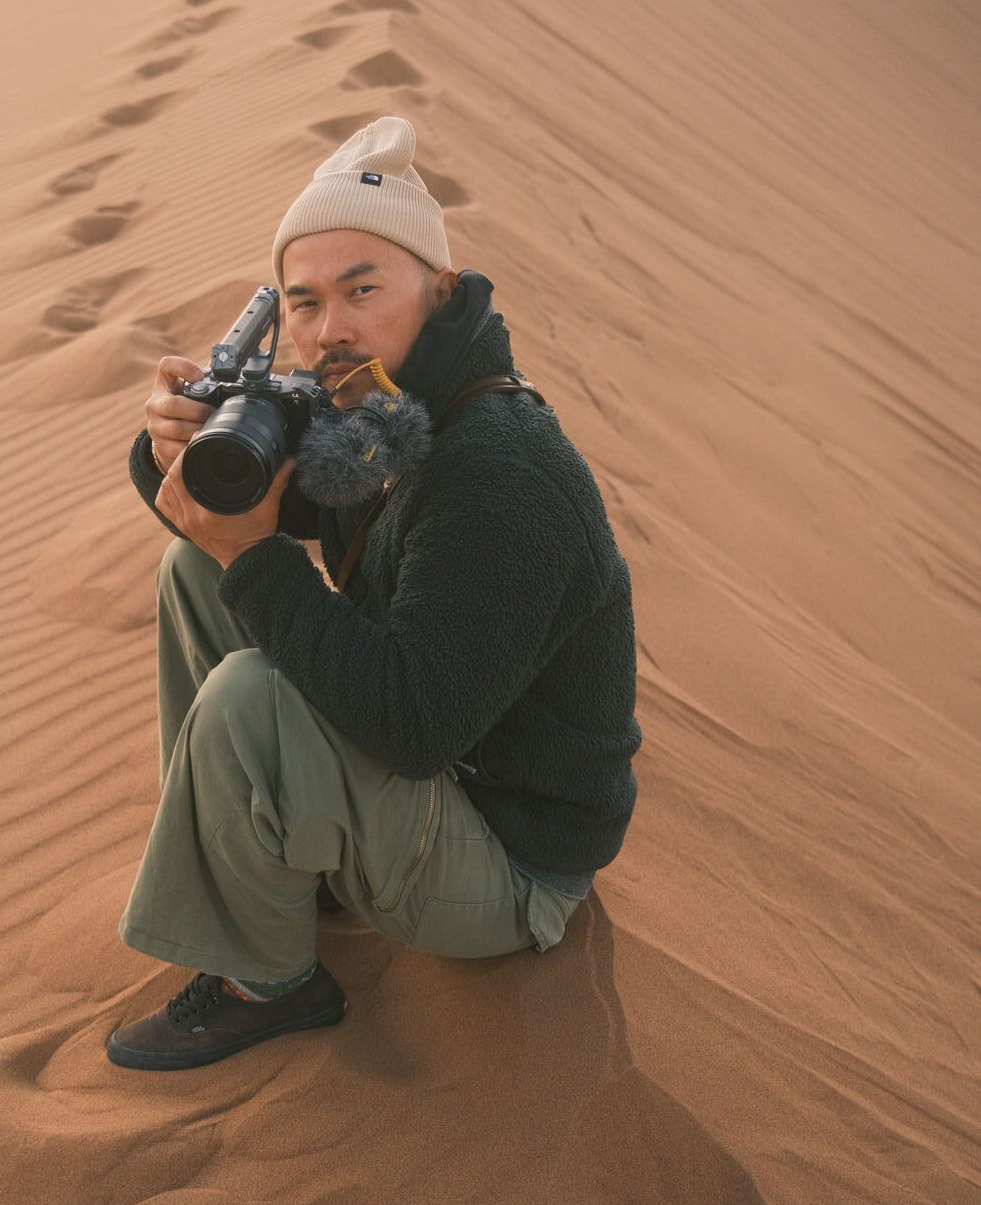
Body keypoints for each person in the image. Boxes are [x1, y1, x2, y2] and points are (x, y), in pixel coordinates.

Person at [106, 115, 642, 1070]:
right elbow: (266, 509)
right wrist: (172, 451)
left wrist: (254, 555)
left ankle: (266, 982)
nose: (331, 331)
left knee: (247, 691)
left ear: (439, 289)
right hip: (435, 790)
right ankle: (256, 856)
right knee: (197, 569)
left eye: (363, 290)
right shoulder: (395, 411)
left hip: (511, 866)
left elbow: (413, 727)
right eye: (305, 303)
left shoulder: (500, 473)